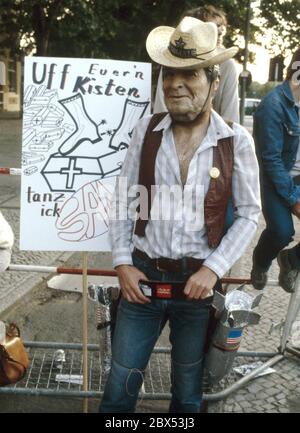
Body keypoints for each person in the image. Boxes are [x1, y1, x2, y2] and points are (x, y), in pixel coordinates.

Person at [100, 16, 261, 413]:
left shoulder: (236, 142)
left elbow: (249, 214)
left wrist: (214, 269)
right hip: (143, 282)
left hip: (197, 290)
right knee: (120, 388)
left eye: (188, 74)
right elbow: (125, 200)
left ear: (214, 81)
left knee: (188, 393)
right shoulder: (146, 131)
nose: (174, 84)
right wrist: (122, 263)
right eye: (169, 74)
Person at [251, 48, 300, 293]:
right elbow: (270, 161)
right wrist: (293, 198)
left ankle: (292, 259)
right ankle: (261, 262)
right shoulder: (272, 105)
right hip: (276, 178)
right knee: (282, 232)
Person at [153, 5, 240, 123]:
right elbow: (160, 109)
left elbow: (231, 115)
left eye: (220, 28)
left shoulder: (227, 65)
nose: (219, 33)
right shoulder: (169, 61)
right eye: (211, 29)